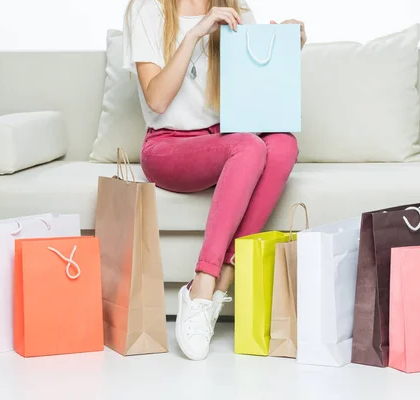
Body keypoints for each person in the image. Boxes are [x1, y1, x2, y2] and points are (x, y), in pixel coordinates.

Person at [123, 0, 307, 361]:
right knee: (250, 149)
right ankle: (204, 286)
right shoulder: (147, 11)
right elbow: (157, 99)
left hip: (227, 138)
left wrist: (283, 47)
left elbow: (256, 104)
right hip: (168, 145)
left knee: (282, 145)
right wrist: (195, 33)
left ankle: (216, 284)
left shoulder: (237, 12)